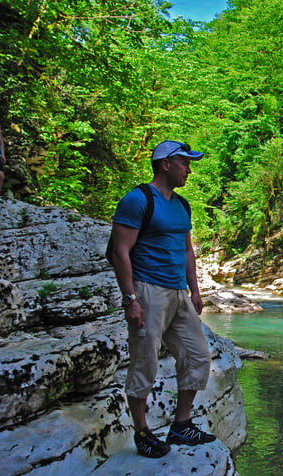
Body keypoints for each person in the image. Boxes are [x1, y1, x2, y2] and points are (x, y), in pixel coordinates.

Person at [111, 140, 216, 458]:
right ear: (165, 164)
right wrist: (130, 299)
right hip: (147, 290)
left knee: (198, 357)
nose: (189, 169)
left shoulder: (182, 205)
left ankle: (181, 425)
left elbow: (187, 250)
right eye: (184, 162)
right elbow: (120, 251)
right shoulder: (137, 200)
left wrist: (194, 289)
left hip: (177, 294)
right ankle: (142, 432)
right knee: (145, 362)